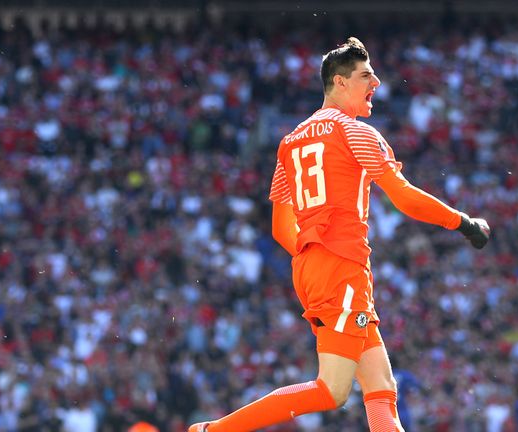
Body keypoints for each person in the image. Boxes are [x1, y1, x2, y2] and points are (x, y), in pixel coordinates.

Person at [188, 36, 490, 432]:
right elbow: (404, 198)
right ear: (340, 82)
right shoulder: (355, 132)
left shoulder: (289, 143)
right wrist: (464, 222)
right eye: (367, 75)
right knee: (332, 389)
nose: (376, 83)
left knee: (381, 385)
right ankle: (214, 431)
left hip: (314, 267)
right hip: (342, 268)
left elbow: (281, 228)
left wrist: (316, 255)